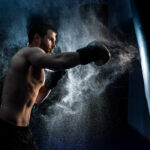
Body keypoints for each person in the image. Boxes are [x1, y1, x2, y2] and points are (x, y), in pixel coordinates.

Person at [0, 23, 110, 150]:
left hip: (22, 131)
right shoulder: (28, 52)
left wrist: (52, 81)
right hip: (7, 130)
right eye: (51, 39)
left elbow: (38, 99)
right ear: (37, 38)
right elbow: (58, 61)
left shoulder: (36, 67)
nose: (54, 45)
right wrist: (90, 53)